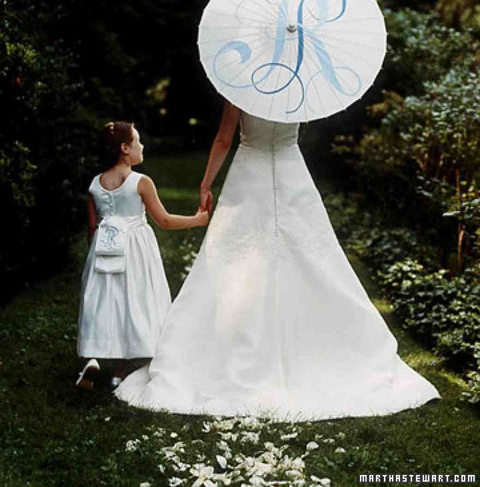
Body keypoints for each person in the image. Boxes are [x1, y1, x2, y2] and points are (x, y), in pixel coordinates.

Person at [114, 102, 441, 421]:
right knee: (312, 253)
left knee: (232, 258)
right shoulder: (297, 85)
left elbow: (224, 139)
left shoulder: (241, 87)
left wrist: (206, 183)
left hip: (249, 172)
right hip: (290, 168)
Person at [76, 121, 209, 390]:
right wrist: (199, 219)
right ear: (125, 149)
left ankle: (94, 359)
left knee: (104, 301)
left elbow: (92, 226)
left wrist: (98, 251)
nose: (142, 145)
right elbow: (165, 220)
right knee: (132, 299)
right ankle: (120, 372)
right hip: (134, 249)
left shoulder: (95, 184)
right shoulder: (140, 182)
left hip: (102, 249)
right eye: (138, 141)